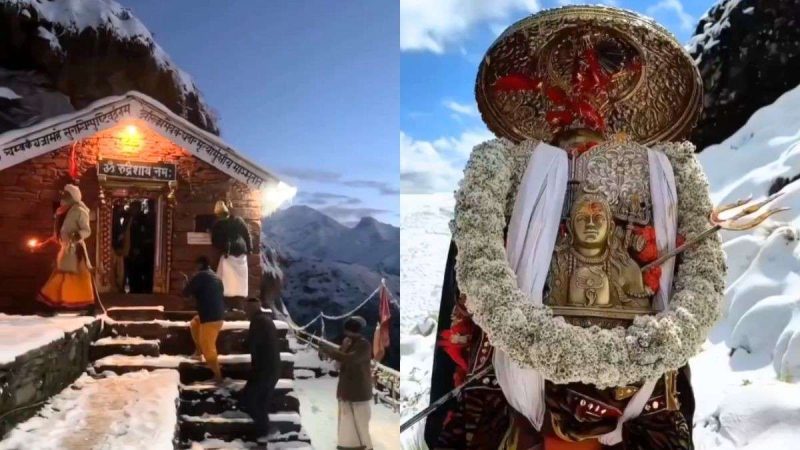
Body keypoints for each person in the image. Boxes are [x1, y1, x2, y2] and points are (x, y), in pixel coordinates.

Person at [425, 6, 725, 450]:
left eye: (602, 74)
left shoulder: (657, 184)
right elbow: (471, 291)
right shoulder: (511, 180)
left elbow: (681, 288)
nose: (588, 87)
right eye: (574, 72)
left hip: (634, 408)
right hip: (521, 409)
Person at [36, 184, 95, 314]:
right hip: (65, 250)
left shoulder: (80, 210)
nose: (63, 197)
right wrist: (44, 243)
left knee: (75, 278)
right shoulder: (62, 212)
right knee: (62, 276)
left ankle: (86, 305)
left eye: (66, 195)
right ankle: (51, 305)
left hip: (75, 251)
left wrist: (77, 235)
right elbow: (58, 234)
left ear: (73, 196)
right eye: (63, 194)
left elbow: (86, 230)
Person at [319, 316, 374, 450]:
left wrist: (330, 351)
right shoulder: (348, 343)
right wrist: (342, 348)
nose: (348, 334)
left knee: (360, 426)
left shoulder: (364, 345)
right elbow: (338, 364)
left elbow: (350, 359)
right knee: (346, 425)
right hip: (346, 390)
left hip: (358, 392)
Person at [238, 297, 282, 441]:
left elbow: (253, 344)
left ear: (251, 309)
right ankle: (263, 432)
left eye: (246, 308)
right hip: (272, 368)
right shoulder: (265, 320)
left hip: (265, 370)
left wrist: (239, 346)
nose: (245, 311)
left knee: (250, 400)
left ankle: (266, 431)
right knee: (259, 402)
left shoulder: (257, 322)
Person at [183, 256, 226, 382]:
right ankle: (198, 352)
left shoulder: (200, 276)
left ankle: (217, 376)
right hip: (218, 316)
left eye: (196, 266)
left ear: (200, 265)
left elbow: (186, 293)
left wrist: (186, 282)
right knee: (194, 323)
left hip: (210, 318)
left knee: (208, 346)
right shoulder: (216, 277)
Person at [211, 200, 253, 301]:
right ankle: (236, 297)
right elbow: (247, 234)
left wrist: (221, 247)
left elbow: (215, 240)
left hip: (229, 253)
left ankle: (227, 296)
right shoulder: (238, 220)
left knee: (226, 278)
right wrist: (250, 249)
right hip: (240, 251)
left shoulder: (219, 224)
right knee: (237, 280)